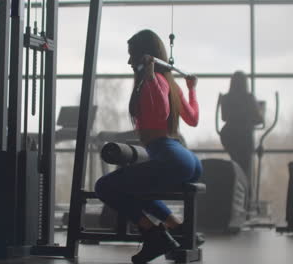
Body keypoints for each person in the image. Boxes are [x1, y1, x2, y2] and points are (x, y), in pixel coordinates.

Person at [94, 29, 202, 263]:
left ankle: (154, 235)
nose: (129, 61)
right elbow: (193, 118)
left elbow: (161, 112)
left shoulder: (155, 81)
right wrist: (191, 89)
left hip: (170, 156)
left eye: (132, 55)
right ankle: (176, 227)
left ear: (145, 56)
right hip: (188, 160)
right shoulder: (172, 84)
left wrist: (151, 77)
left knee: (104, 187)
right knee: (136, 186)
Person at [220, 71, 264, 183]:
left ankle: (234, 189)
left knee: (235, 163)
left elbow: (224, 117)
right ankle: (244, 194)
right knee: (245, 168)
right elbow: (259, 120)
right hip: (245, 136)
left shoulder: (225, 98)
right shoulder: (249, 98)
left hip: (228, 135)